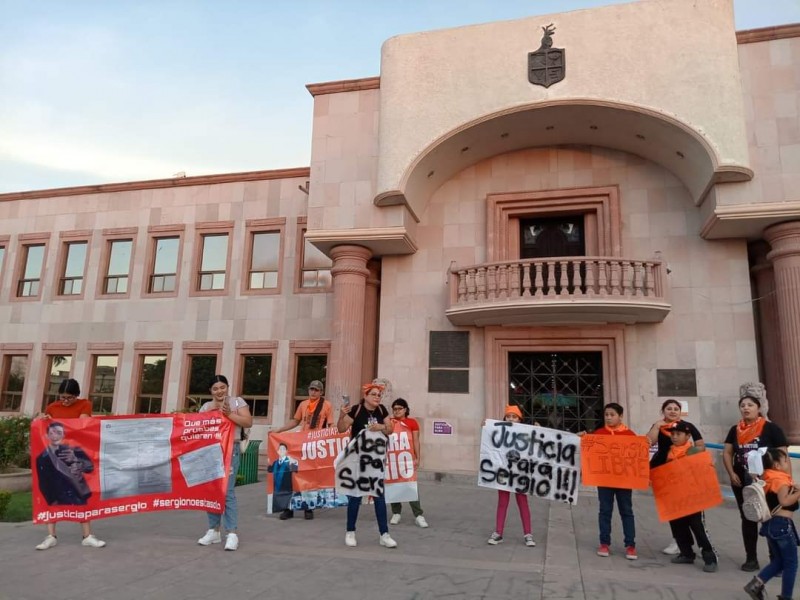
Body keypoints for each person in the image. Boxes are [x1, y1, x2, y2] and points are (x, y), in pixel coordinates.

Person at [35, 379, 105, 550]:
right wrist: (44, 420)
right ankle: (51, 535)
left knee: (79, 495)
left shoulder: (84, 405)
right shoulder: (52, 407)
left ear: (76, 395)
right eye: (63, 397)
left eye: (69, 398)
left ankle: (87, 535)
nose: (65, 401)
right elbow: (46, 429)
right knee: (50, 495)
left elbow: (81, 426)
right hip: (53, 456)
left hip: (73, 452)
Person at [724, 394, 790, 572]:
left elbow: (783, 455)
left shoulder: (771, 429)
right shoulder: (735, 430)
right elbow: (728, 452)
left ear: (758, 408)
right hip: (742, 481)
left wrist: (787, 480)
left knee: (769, 518)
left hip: (767, 482)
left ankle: (775, 560)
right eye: (743, 405)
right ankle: (751, 558)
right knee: (748, 518)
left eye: (750, 405)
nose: (746, 408)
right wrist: (731, 473)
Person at [337, 382, 397, 549]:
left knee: (379, 497)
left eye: (379, 395)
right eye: (374, 394)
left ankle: (384, 534)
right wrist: (341, 416)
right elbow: (341, 429)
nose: (377, 397)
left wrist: (381, 427)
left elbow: (390, 429)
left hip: (375, 461)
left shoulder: (382, 410)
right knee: (355, 497)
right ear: (366, 396)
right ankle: (350, 531)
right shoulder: (356, 410)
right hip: (357, 461)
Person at [196, 375, 253, 551]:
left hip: (231, 451)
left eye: (222, 387)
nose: (219, 391)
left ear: (227, 387)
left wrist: (229, 414)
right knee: (212, 491)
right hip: (211, 452)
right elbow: (198, 428)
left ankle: (232, 533)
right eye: (215, 388)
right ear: (210, 391)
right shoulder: (206, 407)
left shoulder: (237, 402)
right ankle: (214, 530)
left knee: (227, 491)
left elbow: (248, 421)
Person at [578, 402, 637, 560]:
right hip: (604, 481)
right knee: (605, 511)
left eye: (612, 415)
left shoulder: (630, 435)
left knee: (626, 512)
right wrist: (584, 439)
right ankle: (604, 543)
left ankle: (630, 545)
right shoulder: (599, 433)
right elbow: (590, 454)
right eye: (606, 415)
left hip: (624, 482)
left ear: (620, 416)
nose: (609, 418)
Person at [646, 398, 704, 555]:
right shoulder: (659, 425)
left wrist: (688, 455)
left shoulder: (687, 427)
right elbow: (648, 442)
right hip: (661, 469)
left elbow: (700, 445)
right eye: (669, 408)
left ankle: (688, 541)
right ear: (663, 411)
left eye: (675, 409)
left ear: (680, 412)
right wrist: (657, 426)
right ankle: (678, 539)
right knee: (670, 507)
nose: (672, 411)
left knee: (685, 507)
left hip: (682, 471)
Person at [743, 448, 800, 600]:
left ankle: (755, 585)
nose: (788, 463)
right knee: (791, 563)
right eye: (785, 460)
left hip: (770, 525)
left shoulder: (766, 478)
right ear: (777, 465)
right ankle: (786, 596)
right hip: (782, 525)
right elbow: (784, 501)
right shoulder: (781, 481)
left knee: (780, 561)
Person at [272, 379, 332, 520]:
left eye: (316, 390)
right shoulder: (303, 404)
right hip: (301, 443)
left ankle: (308, 507)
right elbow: (295, 421)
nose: (313, 392)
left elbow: (331, 425)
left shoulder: (327, 405)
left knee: (310, 477)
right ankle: (289, 508)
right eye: (311, 389)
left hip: (315, 445)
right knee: (293, 475)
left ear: (321, 392)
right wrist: (280, 430)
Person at [665, 421, 718, 573]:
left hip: (692, 497)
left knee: (697, 527)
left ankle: (709, 557)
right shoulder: (670, 451)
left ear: (688, 436)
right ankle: (686, 553)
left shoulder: (693, 451)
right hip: (675, 496)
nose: (674, 437)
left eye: (678, 434)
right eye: (672, 434)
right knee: (677, 525)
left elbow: (706, 471)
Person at [487, 405, 535, 547]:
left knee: (522, 502)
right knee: (502, 502)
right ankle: (498, 533)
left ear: (520, 420)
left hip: (520, 474)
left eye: (514, 417)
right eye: (509, 416)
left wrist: (538, 429)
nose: (511, 419)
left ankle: (528, 534)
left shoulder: (526, 433)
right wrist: (485, 426)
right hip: (504, 473)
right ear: (505, 418)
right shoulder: (500, 432)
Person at [388, 398, 429, 528]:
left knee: (411, 486)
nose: (397, 411)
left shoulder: (412, 423)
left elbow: (416, 441)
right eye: (394, 409)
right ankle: (396, 512)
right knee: (393, 485)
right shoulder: (389, 422)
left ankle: (418, 515)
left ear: (405, 410)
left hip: (407, 459)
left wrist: (418, 457)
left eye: (399, 408)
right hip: (392, 459)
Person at [267, 443, 298, 518]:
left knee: (288, 498)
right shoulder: (275, 462)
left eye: (283, 449)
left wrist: (294, 463)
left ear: (286, 451)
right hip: (278, 486)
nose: (281, 450)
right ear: (277, 451)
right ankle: (285, 510)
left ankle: (289, 511)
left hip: (287, 485)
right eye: (280, 449)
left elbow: (295, 470)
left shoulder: (289, 461)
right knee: (280, 498)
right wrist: (268, 464)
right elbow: (270, 470)